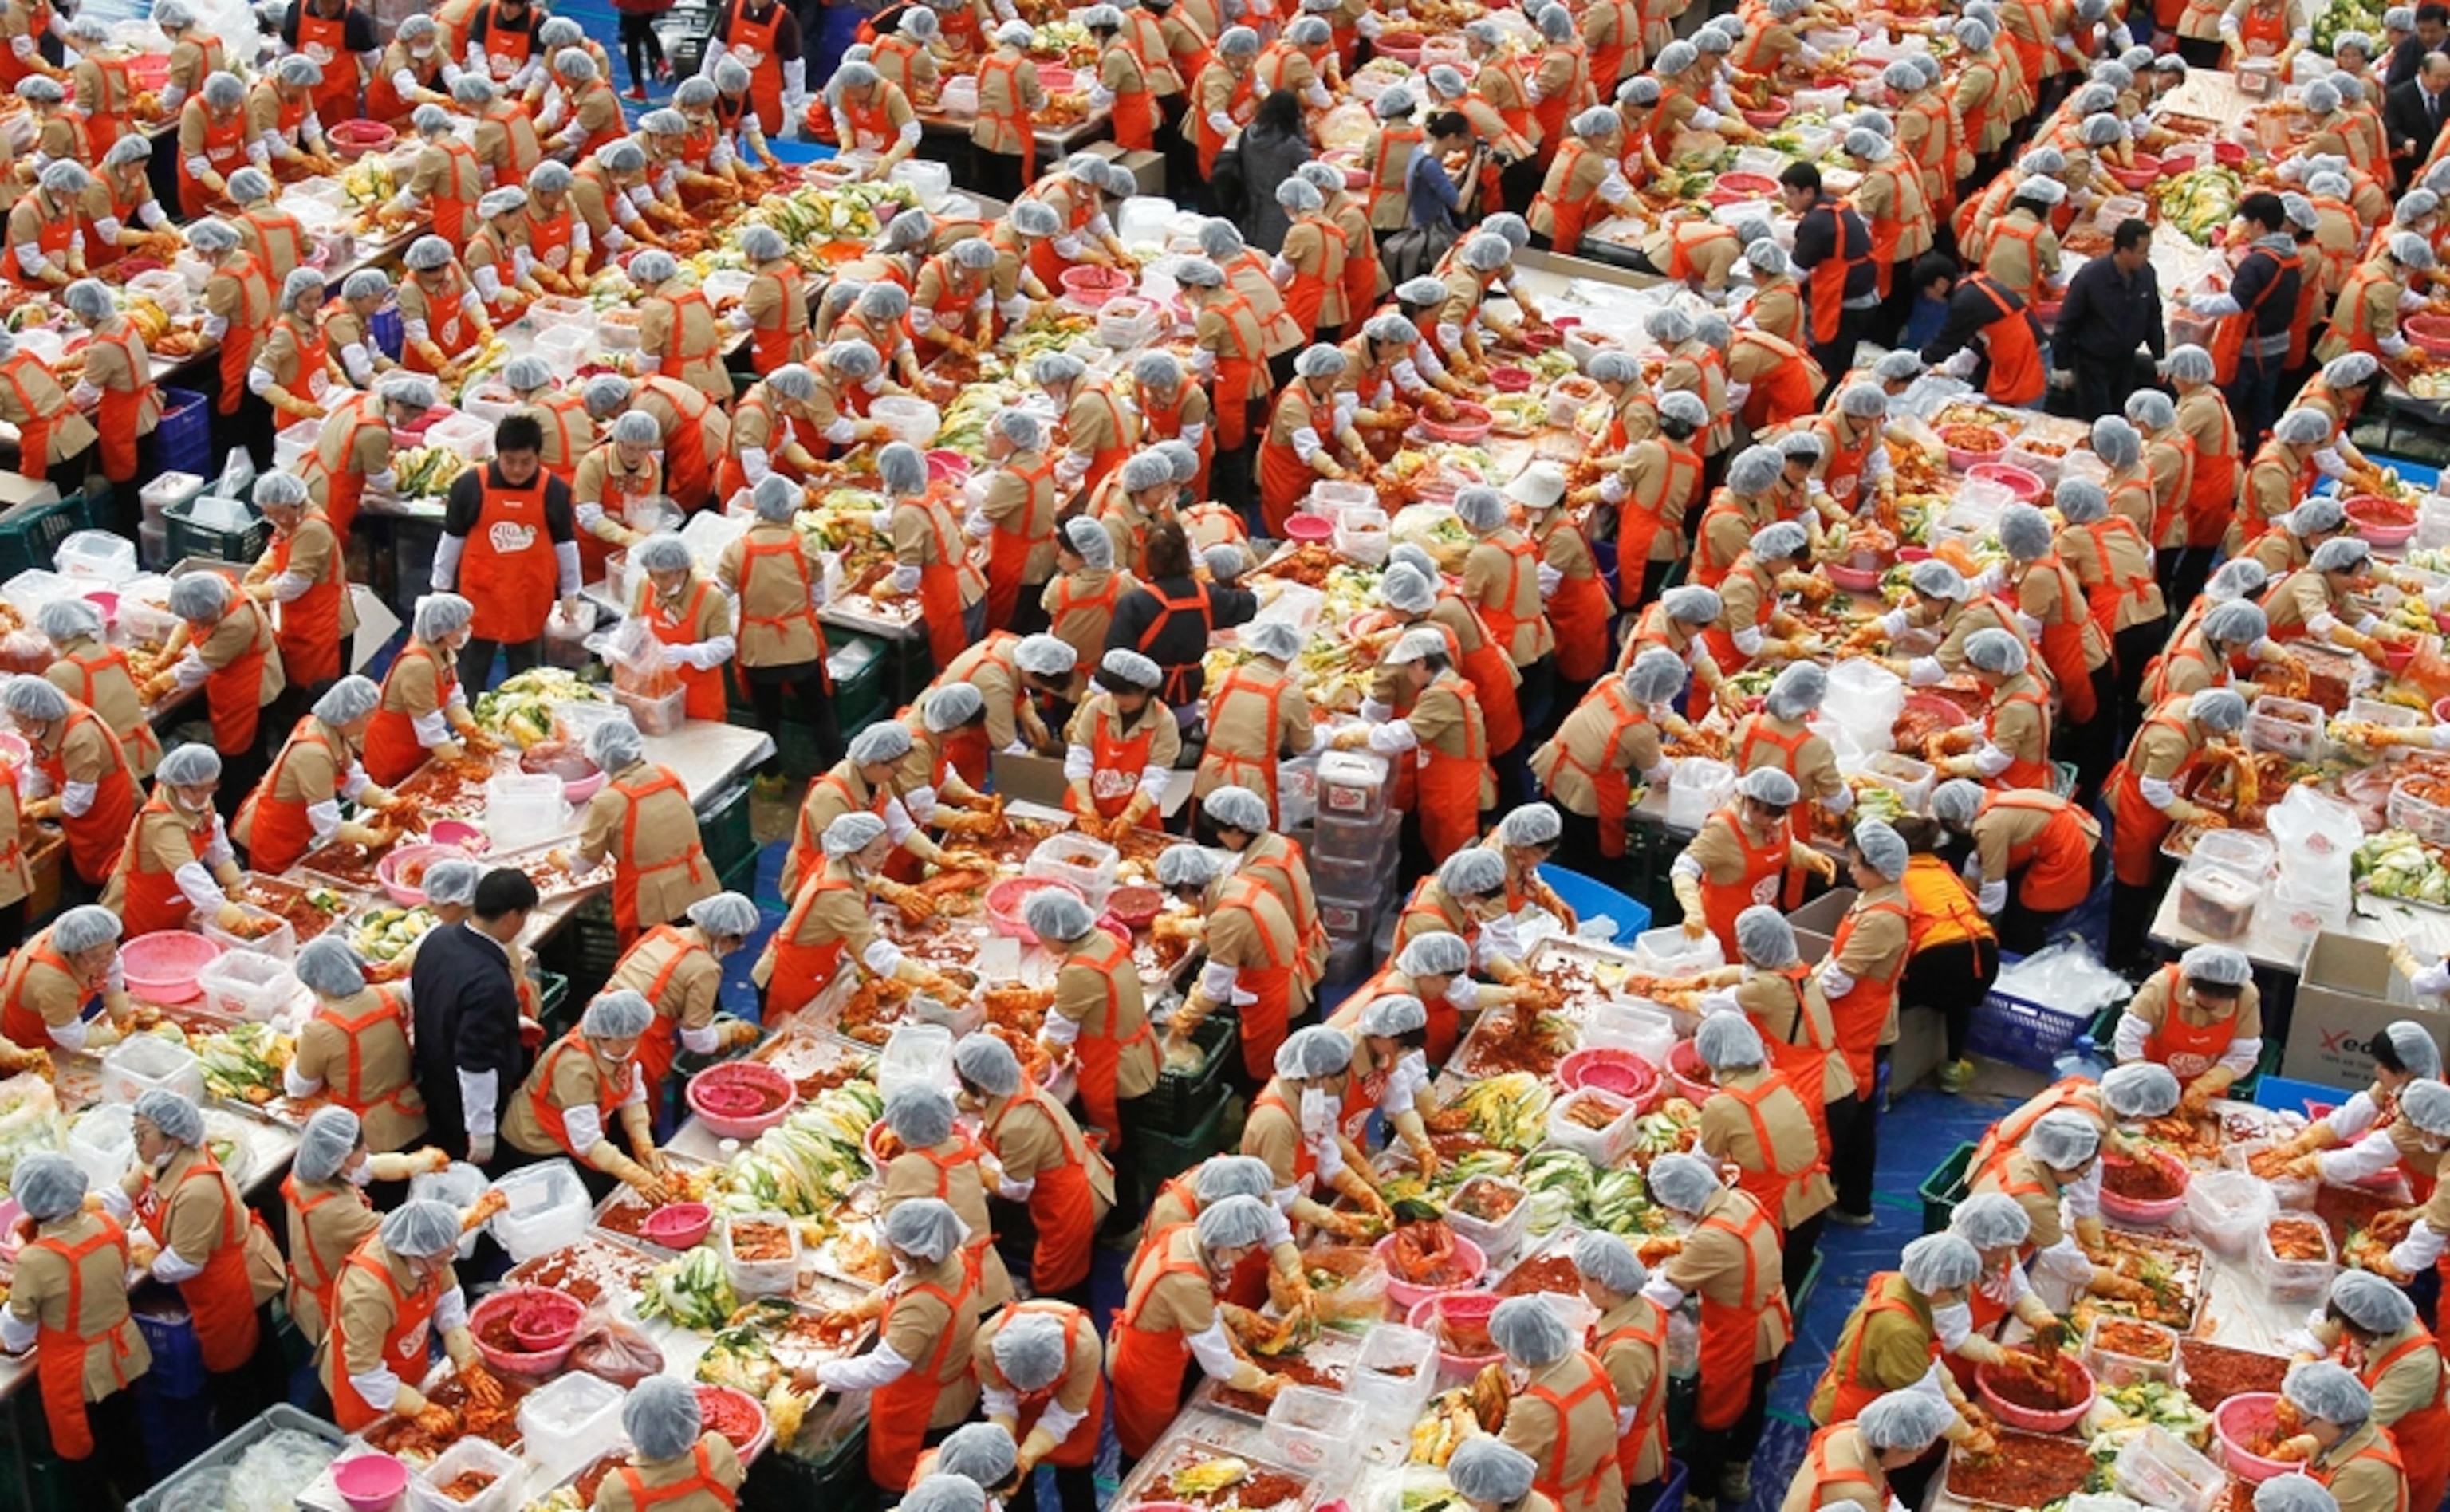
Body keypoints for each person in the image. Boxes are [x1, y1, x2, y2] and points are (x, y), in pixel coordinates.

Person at [1641, 1152, 1791, 1510]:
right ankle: (1738, 1468)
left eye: (1668, 1208)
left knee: (1716, 1414)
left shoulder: (1711, 1239)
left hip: (1739, 1331)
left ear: (1679, 1203)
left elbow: (1663, 1295)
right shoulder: (1742, 1199)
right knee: (1755, 1398)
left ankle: (1703, 1494)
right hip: (1768, 1312)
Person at [1806, 1234, 2003, 1506]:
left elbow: (1925, 1361)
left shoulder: (1903, 1286)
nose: (1960, 1296)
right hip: (1850, 1410)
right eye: (1955, 1288)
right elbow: (1930, 1399)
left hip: (1877, 1402)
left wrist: (1959, 1400)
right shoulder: (1898, 1330)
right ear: (1934, 1286)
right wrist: (1970, 1437)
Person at [1, 1153, 153, 1502]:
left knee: (86, 1468)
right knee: (127, 1446)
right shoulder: (108, 1226)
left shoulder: (35, 1260)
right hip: (123, 1355)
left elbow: (16, 1334)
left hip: (76, 1376)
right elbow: (123, 1276)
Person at [128, 1089, 285, 1416]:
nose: (137, 1141)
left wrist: (142, 1256)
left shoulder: (198, 1187)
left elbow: (183, 1262)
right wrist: (89, 1207)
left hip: (233, 1283)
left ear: (172, 1139)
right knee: (256, 1351)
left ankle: (253, 1419)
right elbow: (128, 1188)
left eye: (143, 1134)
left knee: (239, 1361)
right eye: (135, 1132)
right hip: (214, 1276)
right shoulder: (160, 1161)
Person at [811, 1199, 981, 1490]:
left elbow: (881, 1368)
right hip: (955, 1384)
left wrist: (818, 1375)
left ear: (922, 1254)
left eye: (896, 1245)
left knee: (912, 1482)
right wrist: (858, 1312)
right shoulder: (954, 1258)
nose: (891, 1248)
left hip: (924, 1410)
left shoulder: (922, 1308)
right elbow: (900, 1284)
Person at [1109, 1195, 1293, 1460]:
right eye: (1245, 1252)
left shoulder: (1188, 1233)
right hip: (1147, 1365)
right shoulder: (1186, 1281)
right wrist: (1265, 1383)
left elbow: (1201, 1307)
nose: (1243, 1260)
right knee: (1148, 1445)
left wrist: (1236, 1321)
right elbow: (1220, 1366)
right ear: (1229, 1245)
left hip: (1171, 1341)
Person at [758, 813, 965, 1018]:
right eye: (876, 853)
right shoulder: (835, 894)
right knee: (786, 1033)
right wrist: (934, 982)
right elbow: (874, 949)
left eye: (886, 849)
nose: (884, 859)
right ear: (852, 854)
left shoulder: (842, 862)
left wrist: (897, 891)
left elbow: (868, 878)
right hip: (788, 977)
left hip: (815, 966)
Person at [955, 1033, 1112, 1304]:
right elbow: (980, 1101)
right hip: (1081, 1174)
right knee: (1074, 1263)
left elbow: (1015, 1189)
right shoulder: (1014, 1082)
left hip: (1072, 1203)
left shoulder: (1018, 1124)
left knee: (1056, 1278)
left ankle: (1066, 1319)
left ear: (983, 1087)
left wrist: (974, 1168)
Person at [1025, 886, 1160, 1199]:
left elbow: (1058, 1038)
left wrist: (1032, 1062)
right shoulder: (1106, 940)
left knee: (1118, 1150)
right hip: (1139, 1052)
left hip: (1117, 1070)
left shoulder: (1079, 973)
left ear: (1056, 936)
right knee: (1131, 1140)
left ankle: (1123, 1222)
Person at [433, 414, 582, 691]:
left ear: (538, 456)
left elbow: (566, 544)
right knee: (469, 676)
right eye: (509, 461)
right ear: (497, 454)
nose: (517, 470)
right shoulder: (469, 486)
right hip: (478, 601)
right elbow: (452, 540)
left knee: (525, 681)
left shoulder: (554, 491)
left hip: (528, 599)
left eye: (526, 462)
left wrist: (571, 592)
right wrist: (440, 588)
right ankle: (469, 727)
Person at [2105, 687, 2249, 972]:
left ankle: (2137, 935)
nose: (2219, 734)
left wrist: (2220, 754)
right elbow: (2153, 788)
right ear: (2207, 722)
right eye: (2219, 730)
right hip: (2140, 814)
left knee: (2147, 883)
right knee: (2131, 889)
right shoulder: (2171, 739)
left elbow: (2195, 748)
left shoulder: (2190, 710)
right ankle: (2122, 956)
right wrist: (2192, 813)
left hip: (2160, 808)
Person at [321, 1199, 495, 1434]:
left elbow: (448, 1301)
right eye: (439, 1260)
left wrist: (466, 1361)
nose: (445, 1265)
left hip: (409, 1364)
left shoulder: (435, 1248)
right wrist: (420, 1409)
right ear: (412, 1255)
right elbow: (365, 1372)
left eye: (451, 1255)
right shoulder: (368, 1294)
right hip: (368, 1393)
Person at [1695, 1011, 1836, 1295]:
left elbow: (1702, 1170)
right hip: (1814, 1199)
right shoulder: (1779, 1080)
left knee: (1766, 1290)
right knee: (1792, 1281)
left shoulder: (1721, 1107)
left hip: (1776, 1215)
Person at [281, 1105, 445, 1350]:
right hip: (337, 1302)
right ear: (340, 1158)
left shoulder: (312, 1171)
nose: (366, 1149)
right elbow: (404, 1233)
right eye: (359, 1147)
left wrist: (417, 1163)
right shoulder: (334, 1211)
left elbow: (370, 1165)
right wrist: (468, 1213)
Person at [1333, 628, 1494, 864]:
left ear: (1421, 663)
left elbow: (1404, 735)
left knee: (1451, 857)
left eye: (1408, 667)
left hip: (1454, 793)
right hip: (1446, 783)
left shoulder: (1441, 696)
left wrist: (1363, 735)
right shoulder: (1448, 684)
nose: (1407, 675)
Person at [412, 866, 538, 1165]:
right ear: (511, 917)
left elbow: (432, 997)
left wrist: (506, 1023)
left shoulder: (438, 939)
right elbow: (475, 1063)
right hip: (463, 1100)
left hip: (432, 1075)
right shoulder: (489, 982)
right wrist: (481, 1132)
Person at [2298, 1271, 2450, 1512]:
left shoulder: (2415, 1362)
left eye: (2351, 1333)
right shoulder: (2364, 1314)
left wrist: (2305, 1439)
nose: (2346, 1335)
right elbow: (2333, 1326)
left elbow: (2363, 1420)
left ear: (2368, 1332)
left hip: (2410, 1449)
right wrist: (2304, 1358)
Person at [503, 990, 670, 1201]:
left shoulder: (622, 1046)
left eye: (635, 1038)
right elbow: (588, 1141)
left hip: (579, 1129)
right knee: (589, 1194)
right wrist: (635, 1175)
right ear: (602, 1036)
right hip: (539, 1139)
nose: (632, 1046)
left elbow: (632, 1097)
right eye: (625, 1041)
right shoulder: (575, 1067)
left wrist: (644, 1145)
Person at [234, 676, 404, 877]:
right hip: (272, 836)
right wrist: (372, 837)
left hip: (294, 829)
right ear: (349, 717)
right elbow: (329, 826)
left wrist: (388, 802)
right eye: (367, 718)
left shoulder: (331, 730)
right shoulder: (314, 753)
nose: (369, 724)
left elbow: (355, 782)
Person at [145, 571, 284, 809]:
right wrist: (170, 650)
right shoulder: (208, 588)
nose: (197, 624)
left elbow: (200, 665)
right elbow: (189, 622)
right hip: (228, 680)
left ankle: (241, 801)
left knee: (244, 754)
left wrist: (160, 683)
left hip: (253, 688)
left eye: (202, 619)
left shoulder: (238, 622)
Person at [609, 892, 761, 1102]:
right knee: (632, 1106)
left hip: (602, 1015)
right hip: (637, 1042)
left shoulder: (662, 933)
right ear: (724, 938)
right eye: (738, 942)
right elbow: (697, 1041)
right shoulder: (705, 968)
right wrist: (730, 1031)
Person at [286, 937, 428, 1161]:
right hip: (414, 1116)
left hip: (367, 1142)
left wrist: (293, 1059)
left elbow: (299, 1088)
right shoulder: (391, 995)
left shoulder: (319, 1032)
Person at [1670, 767, 1837, 956]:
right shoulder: (1722, 829)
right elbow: (1684, 868)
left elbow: (1786, 846)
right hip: (1724, 932)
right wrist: (1693, 910)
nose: (1765, 820)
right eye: (1758, 811)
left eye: (1772, 815)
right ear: (1746, 798)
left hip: (1762, 928)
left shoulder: (1779, 820)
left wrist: (1811, 858)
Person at [1930, 779, 2105, 955]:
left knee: (2023, 919)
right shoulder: (1997, 799)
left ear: (1956, 823)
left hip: (2079, 859)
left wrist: (1975, 924)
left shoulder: (1989, 827)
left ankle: (2027, 957)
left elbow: (1994, 891)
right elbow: (1979, 859)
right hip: (2090, 840)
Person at [4, 676, 135, 904]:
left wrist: (39, 809)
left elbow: (77, 802)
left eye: (20, 722)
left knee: (103, 863)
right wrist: (32, 797)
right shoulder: (41, 726)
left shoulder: (80, 737)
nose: (18, 728)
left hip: (103, 806)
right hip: (73, 794)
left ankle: (103, 902)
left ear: (35, 717)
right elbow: (40, 765)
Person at [2262, 1018, 2443, 1182]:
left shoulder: (2425, 1108)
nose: (2377, 1070)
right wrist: (2312, 1138)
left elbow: (2365, 1158)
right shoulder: (2398, 1081)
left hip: (2430, 1181)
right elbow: (2362, 1107)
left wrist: (2313, 1165)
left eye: (2385, 1066)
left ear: (2407, 1071)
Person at [1105, 526, 1260, 711]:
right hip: (1188, 698)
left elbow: (1115, 656)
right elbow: (1251, 602)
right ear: (1187, 557)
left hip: (1146, 700)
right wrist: (1268, 592)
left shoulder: (1134, 602)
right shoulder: (1207, 595)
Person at [104, 743, 250, 939]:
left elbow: (214, 836)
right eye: (198, 790)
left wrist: (233, 881)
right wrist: (221, 909)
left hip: (180, 893)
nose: (205, 796)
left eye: (211, 787)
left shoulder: (200, 798)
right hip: (147, 901)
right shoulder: (160, 822)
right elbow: (188, 873)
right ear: (178, 785)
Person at [973, 1302, 1103, 1512]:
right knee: (1014, 1485)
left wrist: (1027, 1456)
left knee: (1076, 1481)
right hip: (1020, 1408)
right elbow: (1001, 1403)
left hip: (1072, 1402)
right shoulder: (986, 1342)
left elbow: (1065, 1411)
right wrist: (1009, 1453)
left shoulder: (1085, 1345)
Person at [364, 593, 494, 788]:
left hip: (418, 745)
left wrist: (474, 734)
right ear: (445, 630)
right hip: (395, 750)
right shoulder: (419, 666)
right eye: (463, 625)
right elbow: (430, 731)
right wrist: (462, 763)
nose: (468, 630)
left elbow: (453, 701)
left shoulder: (444, 651)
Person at [2113, 943, 2264, 1108]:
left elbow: (2244, 1053)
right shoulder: (2161, 986)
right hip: (2149, 1086)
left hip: (2206, 1096)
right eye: (2205, 994)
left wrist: (2205, 1085)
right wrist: (2143, 1079)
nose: (2212, 1002)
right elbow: (2128, 1036)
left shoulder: (2247, 997)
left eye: (2221, 997)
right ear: (2190, 981)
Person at [2052, 217, 2166, 419]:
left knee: (2121, 411)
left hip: (2125, 361)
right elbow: (2066, 323)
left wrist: (2159, 355)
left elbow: (2153, 317)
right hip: (2093, 363)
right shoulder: (2090, 278)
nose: (2146, 257)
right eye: (2142, 252)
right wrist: (2061, 365)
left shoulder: (2146, 275)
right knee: (2097, 417)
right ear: (2124, 251)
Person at [1062, 649, 1182, 837]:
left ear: (1146, 691)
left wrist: (1129, 817)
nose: (1119, 700)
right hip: (1086, 802)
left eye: (1127, 695)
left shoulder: (1164, 721)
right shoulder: (1095, 707)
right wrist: (1085, 806)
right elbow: (1079, 756)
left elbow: (1156, 776)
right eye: (1115, 693)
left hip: (1137, 812)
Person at [1782, 1388, 1960, 1512]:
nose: (1912, 1461)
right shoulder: (1858, 1494)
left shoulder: (1847, 1432)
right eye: (1914, 1454)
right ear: (1895, 1447)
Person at [594, 1375, 748, 1511]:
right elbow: (737, 1477)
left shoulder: (617, 1489)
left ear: (630, 1426)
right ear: (693, 1418)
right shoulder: (716, 1450)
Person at [0, 906, 133, 1057]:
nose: (105, 962)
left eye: (110, 951)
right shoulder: (55, 981)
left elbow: (113, 989)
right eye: (94, 957)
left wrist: (124, 1019)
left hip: (62, 1014)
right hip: (32, 1035)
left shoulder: (92, 939)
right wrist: (117, 1035)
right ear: (72, 954)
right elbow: (70, 1035)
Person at [2278, 1364, 2410, 1512]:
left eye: (2303, 1421)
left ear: (2328, 1419)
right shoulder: (2354, 1431)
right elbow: (2316, 1445)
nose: (2302, 1427)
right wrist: (2288, 1449)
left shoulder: (2359, 1475)